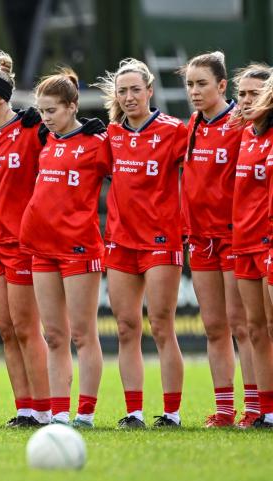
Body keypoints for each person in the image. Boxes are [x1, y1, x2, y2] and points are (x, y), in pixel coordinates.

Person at [94, 58, 187, 428]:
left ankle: (172, 413)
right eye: (123, 91)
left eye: (136, 89)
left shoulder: (174, 131)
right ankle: (133, 412)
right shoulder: (112, 136)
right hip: (120, 242)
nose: (129, 97)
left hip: (161, 240)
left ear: (150, 91)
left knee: (162, 324)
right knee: (125, 327)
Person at [20, 67, 110, 428]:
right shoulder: (45, 139)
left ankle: (85, 413)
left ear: (73, 107)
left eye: (52, 110)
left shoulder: (96, 143)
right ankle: (59, 412)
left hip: (79, 248)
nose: (46, 117)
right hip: (42, 248)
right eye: (41, 111)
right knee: (54, 335)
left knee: (82, 334)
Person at [0, 51, 51, 427]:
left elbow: (65, 137)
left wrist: (51, 125)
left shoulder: (32, 130)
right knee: (6, 330)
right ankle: (25, 409)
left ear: (1, 98)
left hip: (22, 244)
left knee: (27, 328)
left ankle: (47, 410)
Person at [180, 52, 256, 427]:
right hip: (201, 239)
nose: (194, 91)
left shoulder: (241, 122)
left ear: (222, 86)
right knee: (214, 327)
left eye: (202, 84)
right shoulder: (192, 123)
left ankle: (257, 407)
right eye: (190, 84)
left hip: (234, 237)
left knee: (242, 325)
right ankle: (225, 409)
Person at [231, 65, 273, 429]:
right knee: (255, 328)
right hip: (243, 243)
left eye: (253, 93)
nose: (245, 100)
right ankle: (265, 410)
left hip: (269, 243)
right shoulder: (244, 135)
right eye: (241, 93)